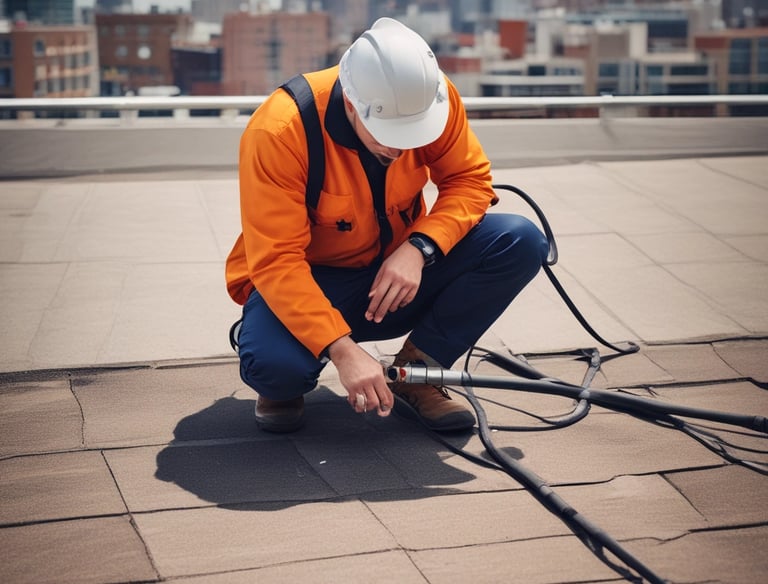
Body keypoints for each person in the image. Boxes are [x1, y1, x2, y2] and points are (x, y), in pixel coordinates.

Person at [225, 18, 548, 433]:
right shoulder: (280, 131)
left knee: (518, 240)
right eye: (388, 134)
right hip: (311, 281)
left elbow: (469, 182)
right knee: (275, 369)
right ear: (350, 103)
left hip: (397, 275)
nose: (400, 147)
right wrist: (341, 350)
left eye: (412, 134)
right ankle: (286, 369)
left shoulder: (429, 96)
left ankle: (417, 373)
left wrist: (420, 248)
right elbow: (277, 261)